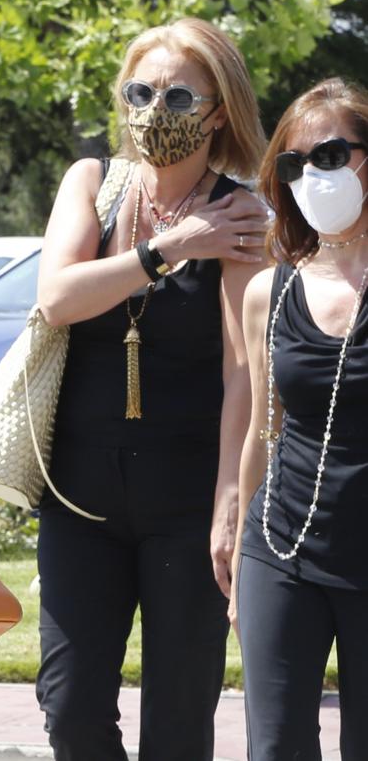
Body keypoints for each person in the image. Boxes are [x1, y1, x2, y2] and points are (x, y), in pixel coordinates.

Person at [33, 18, 269, 760]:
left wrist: (231, 503)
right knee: (70, 711)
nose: (153, 111)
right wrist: (170, 246)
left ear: (218, 111)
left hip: (186, 499)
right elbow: (58, 298)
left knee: (177, 724)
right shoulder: (93, 183)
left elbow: (244, 372)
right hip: (78, 498)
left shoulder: (240, 213)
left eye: (176, 96)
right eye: (140, 92)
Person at [231, 77, 368, 760]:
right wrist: (235, 532)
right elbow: (265, 427)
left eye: (333, 155)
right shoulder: (268, 290)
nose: (312, 177)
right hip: (281, 549)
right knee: (277, 746)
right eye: (294, 164)